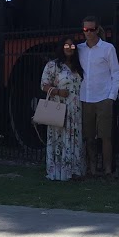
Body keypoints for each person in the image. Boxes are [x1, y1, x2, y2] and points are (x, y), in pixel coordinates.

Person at [77, 16, 119, 177]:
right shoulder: (80, 48)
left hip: (103, 97)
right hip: (85, 97)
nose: (88, 33)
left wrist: (111, 97)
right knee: (89, 136)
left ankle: (108, 169)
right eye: (85, 29)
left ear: (97, 30)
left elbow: (116, 73)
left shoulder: (108, 48)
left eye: (91, 29)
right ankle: (92, 168)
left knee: (105, 136)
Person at [40, 38, 87, 181]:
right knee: (59, 138)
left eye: (72, 45)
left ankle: (75, 170)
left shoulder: (78, 66)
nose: (69, 48)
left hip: (76, 108)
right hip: (60, 107)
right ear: (61, 47)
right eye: (66, 45)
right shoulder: (53, 65)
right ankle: (59, 171)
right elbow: (43, 85)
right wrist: (58, 92)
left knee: (76, 138)